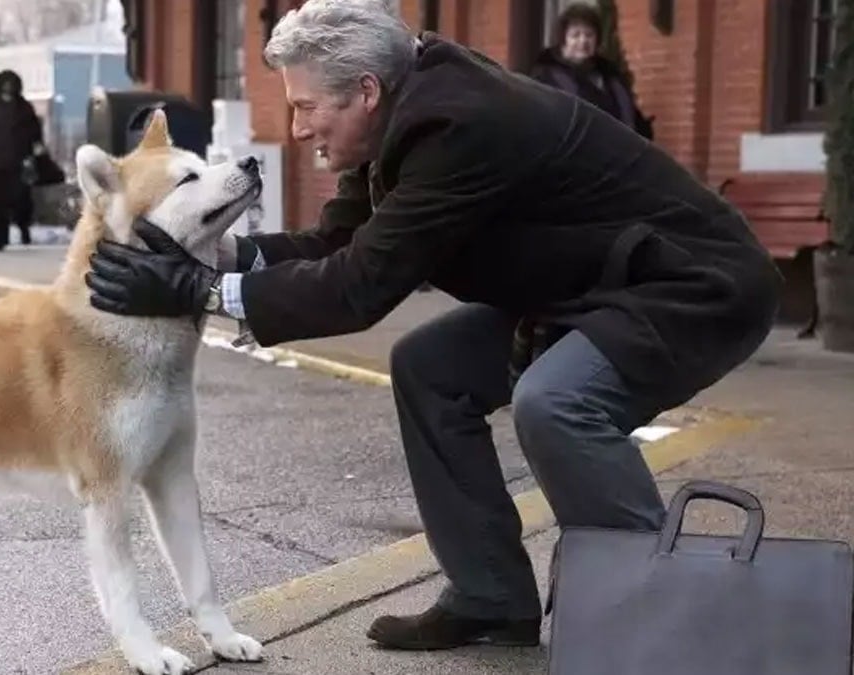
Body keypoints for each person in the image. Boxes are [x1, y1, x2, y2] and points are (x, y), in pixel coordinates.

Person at [84, 0, 780, 652]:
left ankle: (666, 613)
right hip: (595, 288)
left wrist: (198, 290)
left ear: (364, 91)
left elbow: (361, 287)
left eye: (305, 108)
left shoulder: (457, 126)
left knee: (557, 402)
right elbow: (339, 246)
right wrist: (207, 249)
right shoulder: (399, 117)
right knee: (430, 368)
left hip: (692, 284)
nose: (297, 130)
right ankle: (491, 594)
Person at [530, 3, 653, 140]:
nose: (583, 41)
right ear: (563, 41)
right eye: (575, 35)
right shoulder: (546, 79)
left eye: (589, 35)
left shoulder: (611, 77)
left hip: (619, 155)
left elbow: (633, 119)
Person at [0, 69, 46, 251]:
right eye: (5, 83)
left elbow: (35, 134)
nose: (8, 86)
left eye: (11, 83)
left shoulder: (25, 108)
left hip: (19, 163)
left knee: (21, 200)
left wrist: (37, 154)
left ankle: (23, 227)